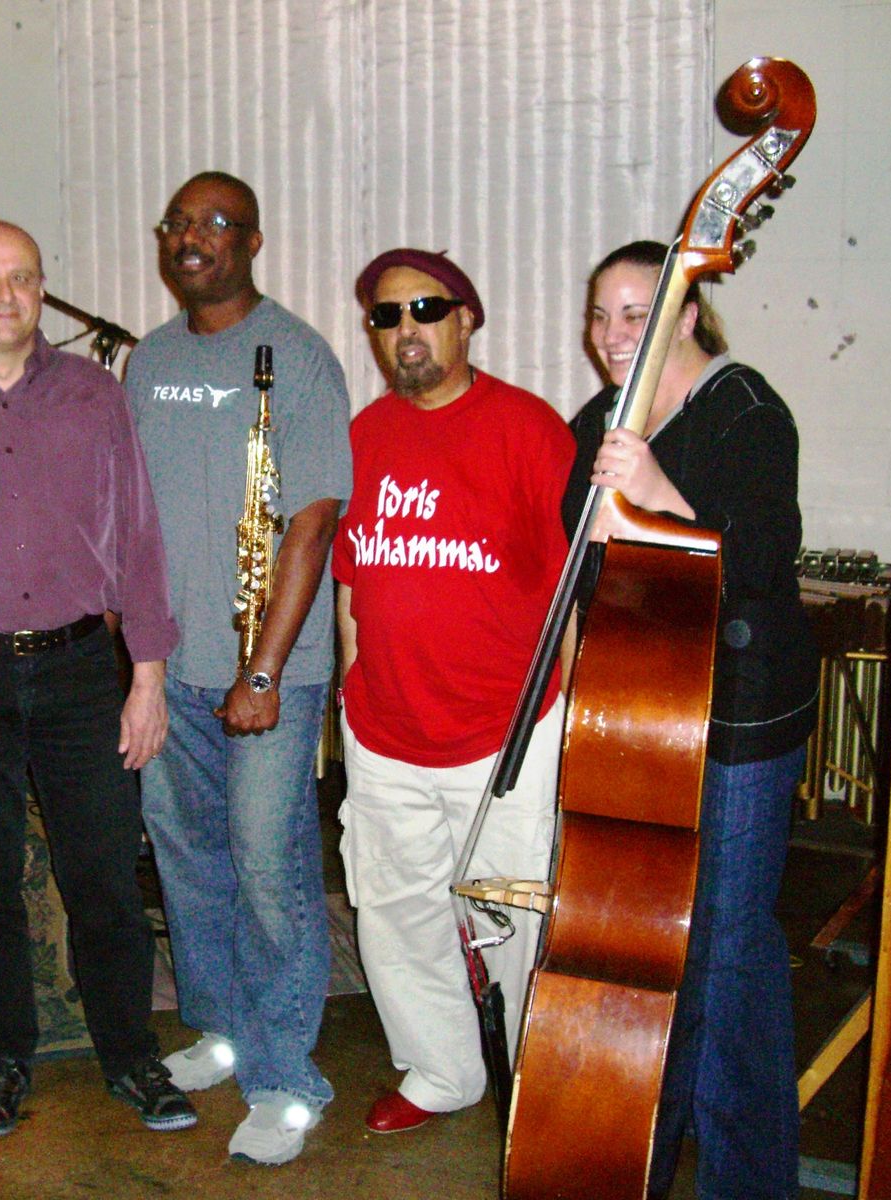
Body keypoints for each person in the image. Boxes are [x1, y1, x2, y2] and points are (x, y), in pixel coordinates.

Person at [0, 219, 194, 1141]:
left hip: (80, 673)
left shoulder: (96, 396)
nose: (5, 295)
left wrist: (147, 676)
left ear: (42, 288)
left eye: (21, 277)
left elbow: (138, 538)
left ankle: (130, 1055)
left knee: (104, 879)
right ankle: (5, 1058)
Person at [564, 239, 818, 1199]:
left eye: (637, 313)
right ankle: (649, 1158)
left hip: (738, 722)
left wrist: (659, 495)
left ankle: (749, 1182)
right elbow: (580, 557)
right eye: (600, 314)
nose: (613, 334)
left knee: (730, 953)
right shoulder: (604, 416)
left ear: (687, 313)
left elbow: (759, 559)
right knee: (662, 950)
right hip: (644, 712)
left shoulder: (745, 410)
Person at [123, 171, 352, 1166]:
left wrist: (261, 673)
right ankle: (222, 1029)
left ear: (251, 241)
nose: (192, 237)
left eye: (215, 223)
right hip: (167, 669)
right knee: (188, 862)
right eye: (178, 222)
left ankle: (286, 1076)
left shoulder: (296, 356)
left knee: (269, 870)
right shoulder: (149, 359)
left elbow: (313, 520)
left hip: (268, 677)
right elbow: (131, 509)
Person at [332, 248, 574, 1135]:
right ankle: (441, 1071)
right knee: (396, 914)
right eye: (387, 315)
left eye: (426, 309)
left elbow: (571, 590)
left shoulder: (529, 429)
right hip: (385, 731)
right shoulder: (364, 435)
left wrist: (569, 722)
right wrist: (352, 691)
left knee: (512, 911)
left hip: (505, 733)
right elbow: (351, 582)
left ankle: (536, 1079)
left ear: (467, 319)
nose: (407, 330)